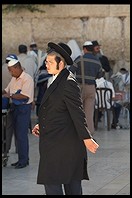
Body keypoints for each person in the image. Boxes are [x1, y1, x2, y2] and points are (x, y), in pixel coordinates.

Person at [32, 42, 99, 195]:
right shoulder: (57, 79)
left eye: (49, 62)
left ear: (60, 63)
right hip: (59, 143)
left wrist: (86, 138)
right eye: (46, 61)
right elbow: (57, 109)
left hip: (64, 147)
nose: (46, 64)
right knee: (68, 186)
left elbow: (77, 113)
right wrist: (42, 124)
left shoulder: (68, 82)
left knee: (59, 185)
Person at [2, 54, 34, 169]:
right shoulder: (14, 79)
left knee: (21, 135)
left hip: (23, 109)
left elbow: (24, 96)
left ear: (16, 68)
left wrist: (10, 95)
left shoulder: (27, 79)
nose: (11, 73)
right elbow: (6, 90)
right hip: (14, 108)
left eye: (11, 71)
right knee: (15, 134)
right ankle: (21, 159)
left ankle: (24, 160)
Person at [69, 41, 103, 134]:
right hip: (91, 88)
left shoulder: (80, 59)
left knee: (77, 110)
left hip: (80, 87)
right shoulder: (97, 61)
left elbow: (71, 71)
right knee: (89, 111)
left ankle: (77, 130)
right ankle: (89, 131)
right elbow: (100, 75)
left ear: (84, 49)